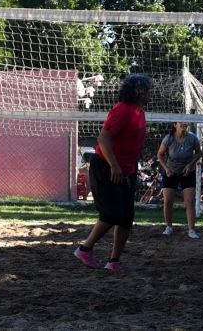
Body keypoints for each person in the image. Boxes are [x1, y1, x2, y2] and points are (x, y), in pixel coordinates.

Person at [74, 74, 152, 271]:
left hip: (126, 171)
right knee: (112, 213)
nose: (150, 93)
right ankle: (84, 248)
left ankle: (114, 261)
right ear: (139, 91)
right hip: (107, 168)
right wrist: (115, 165)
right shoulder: (123, 110)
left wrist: (128, 168)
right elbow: (103, 139)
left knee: (126, 217)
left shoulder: (138, 112)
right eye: (147, 89)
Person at [157, 122, 203, 238]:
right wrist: (166, 169)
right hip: (171, 171)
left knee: (189, 201)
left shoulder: (192, 138)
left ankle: (191, 230)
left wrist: (190, 164)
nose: (183, 124)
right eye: (180, 122)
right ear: (175, 125)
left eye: (185, 122)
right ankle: (169, 227)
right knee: (168, 201)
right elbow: (160, 155)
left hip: (187, 171)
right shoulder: (169, 138)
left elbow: (199, 153)